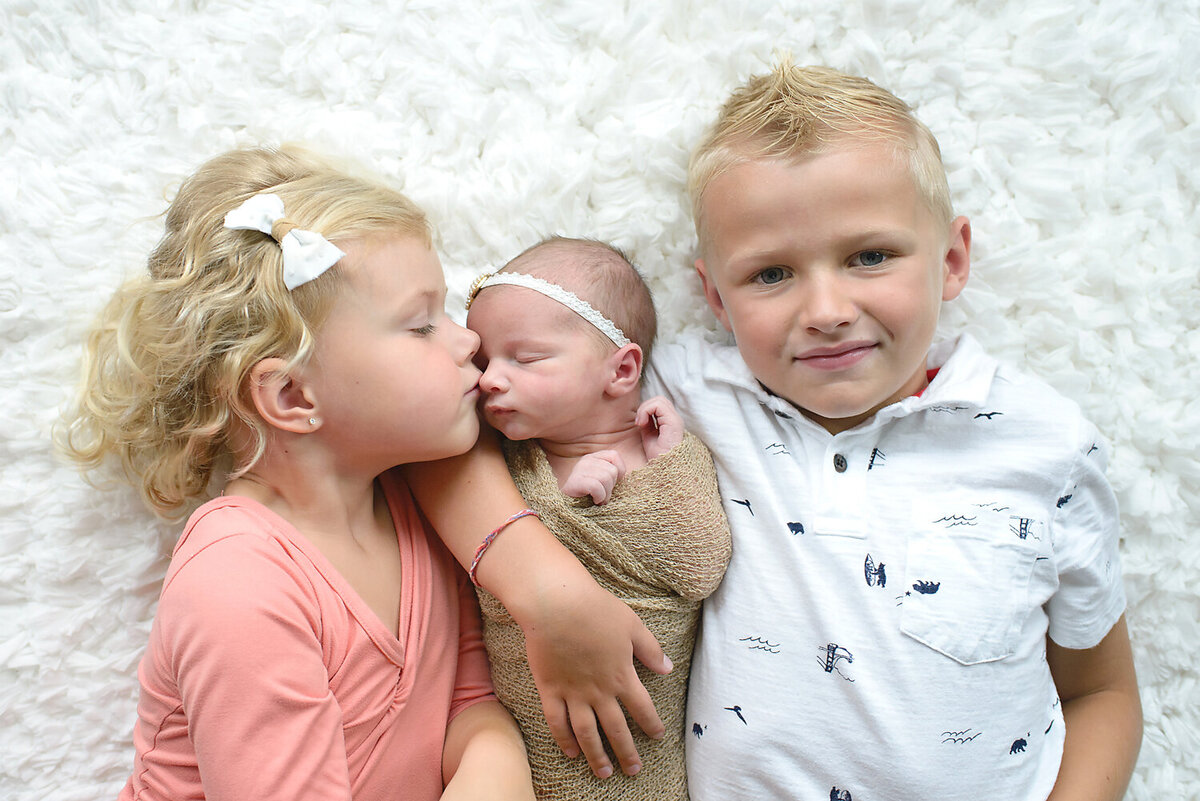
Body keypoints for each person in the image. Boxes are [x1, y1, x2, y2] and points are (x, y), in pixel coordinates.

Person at [408, 61, 1143, 801]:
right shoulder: (682, 391)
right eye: (771, 275)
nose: (825, 308)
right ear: (715, 298)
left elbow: (1100, 691)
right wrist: (544, 588)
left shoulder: (1041, 441)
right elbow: (440, 437)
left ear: (951, 260)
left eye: (870, 256)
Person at [58, 145, 534, 801]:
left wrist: (493, 761)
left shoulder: (412, 504)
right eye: (422, 325)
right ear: (291, 396)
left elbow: (468, 695)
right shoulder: (239, 582)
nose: (468, 341)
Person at [461, 236, 731, 801]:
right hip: (513, 742)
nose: (488, 379)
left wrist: (656, 474)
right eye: (482, 361)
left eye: (524, 358)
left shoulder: (663, 457)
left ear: (622, 369)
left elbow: (698, 564)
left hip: (636, 755)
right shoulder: (501, 461)